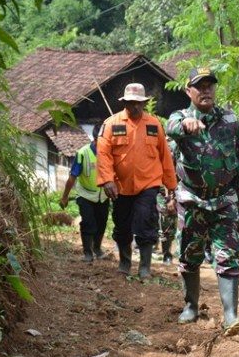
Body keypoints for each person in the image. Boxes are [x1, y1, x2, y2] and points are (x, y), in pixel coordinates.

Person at [166, 67, 239, 337]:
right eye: (199, 86)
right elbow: (169, 130)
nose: (205, 90)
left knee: (228, 256)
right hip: (192, 199)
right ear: (188, 91)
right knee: (189, 255)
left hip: (224, 200)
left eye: (210, 85)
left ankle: (230, 315)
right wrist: (185, 127)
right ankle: (191, 306)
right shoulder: (180, 117)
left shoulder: (230, 120)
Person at [96, 83, 177, 279]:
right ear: (125, 102)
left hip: (148, 184)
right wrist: (107, 180)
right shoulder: (111, 124)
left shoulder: (154, 124)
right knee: (122, 224)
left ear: (145, 103)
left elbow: (165, 156)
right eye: (131, 103)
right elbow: (103, 155)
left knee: (145, 221)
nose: (135, 107)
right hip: (120, 186)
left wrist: (171, 186)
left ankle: (145, 267)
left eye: (139, 103)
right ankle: (125, 263)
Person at [60, 123, 110, 263]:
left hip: (103, 196)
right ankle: (87, 252)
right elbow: (72, 178)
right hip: (86, 195)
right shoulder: (83, 153)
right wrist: (64, 197)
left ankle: (98, 249)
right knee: (88, 223)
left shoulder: (110, 153)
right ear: (95, 139)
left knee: (102, 223)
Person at [157, 139, 178, 265]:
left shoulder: (174, 148)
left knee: (167, 220)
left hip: (169, 190)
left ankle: (167, 254)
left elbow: (171, 172)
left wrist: (171, 196)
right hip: (154, 187)